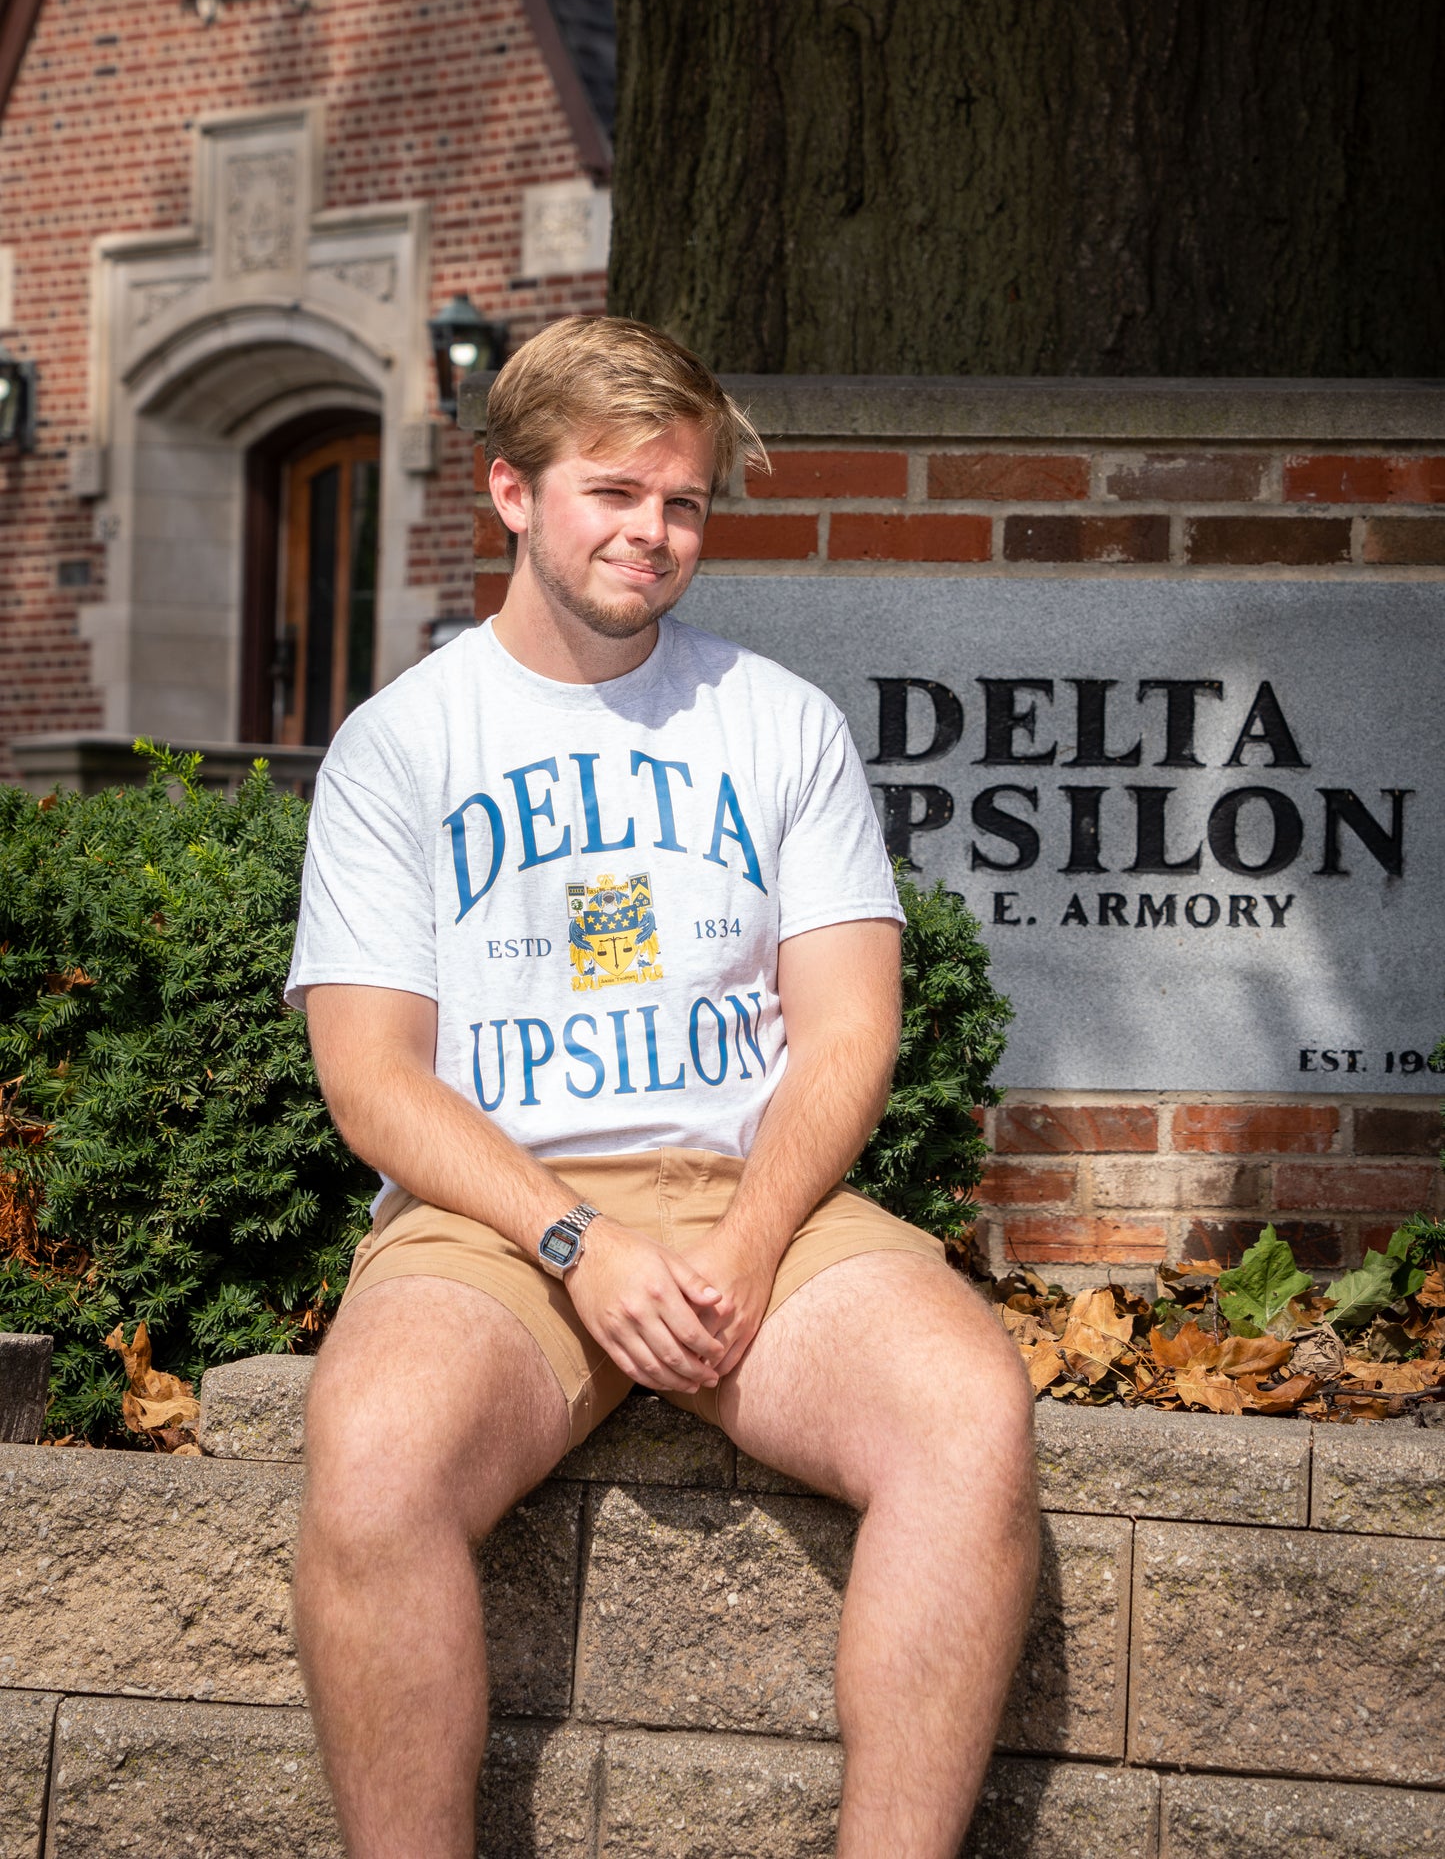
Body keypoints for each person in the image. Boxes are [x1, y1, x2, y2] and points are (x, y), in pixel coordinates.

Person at [287, 315, 1039, 1859]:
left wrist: (751, 1241)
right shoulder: (401, 746)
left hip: (746, 1195)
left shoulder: (777, 726)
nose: (652, 532)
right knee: (372, 1458)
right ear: (510, 493)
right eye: (613, 493)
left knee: (965, 1415)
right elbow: (373, 1080)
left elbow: (843, 1034)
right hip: (493, 1217)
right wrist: (576, 1242)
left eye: (683, 502)